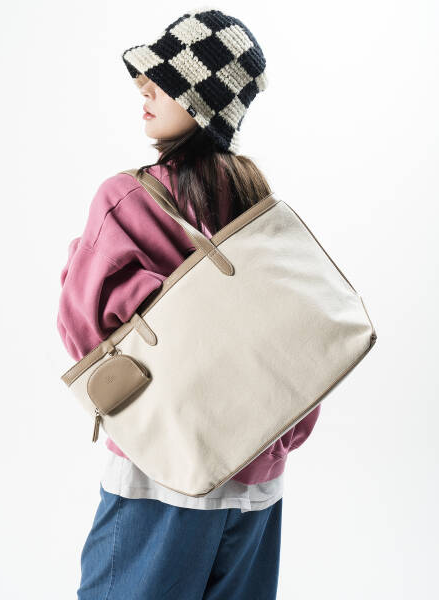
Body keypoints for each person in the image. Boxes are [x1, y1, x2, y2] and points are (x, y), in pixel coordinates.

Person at [57, 7, 321, 599]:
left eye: (165, 78)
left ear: (203, 101)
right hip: (255, 482)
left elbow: (80, 330)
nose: (144, 87)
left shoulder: (127, 198)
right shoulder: (259, 205)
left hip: (160, 475)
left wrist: (83, 260)